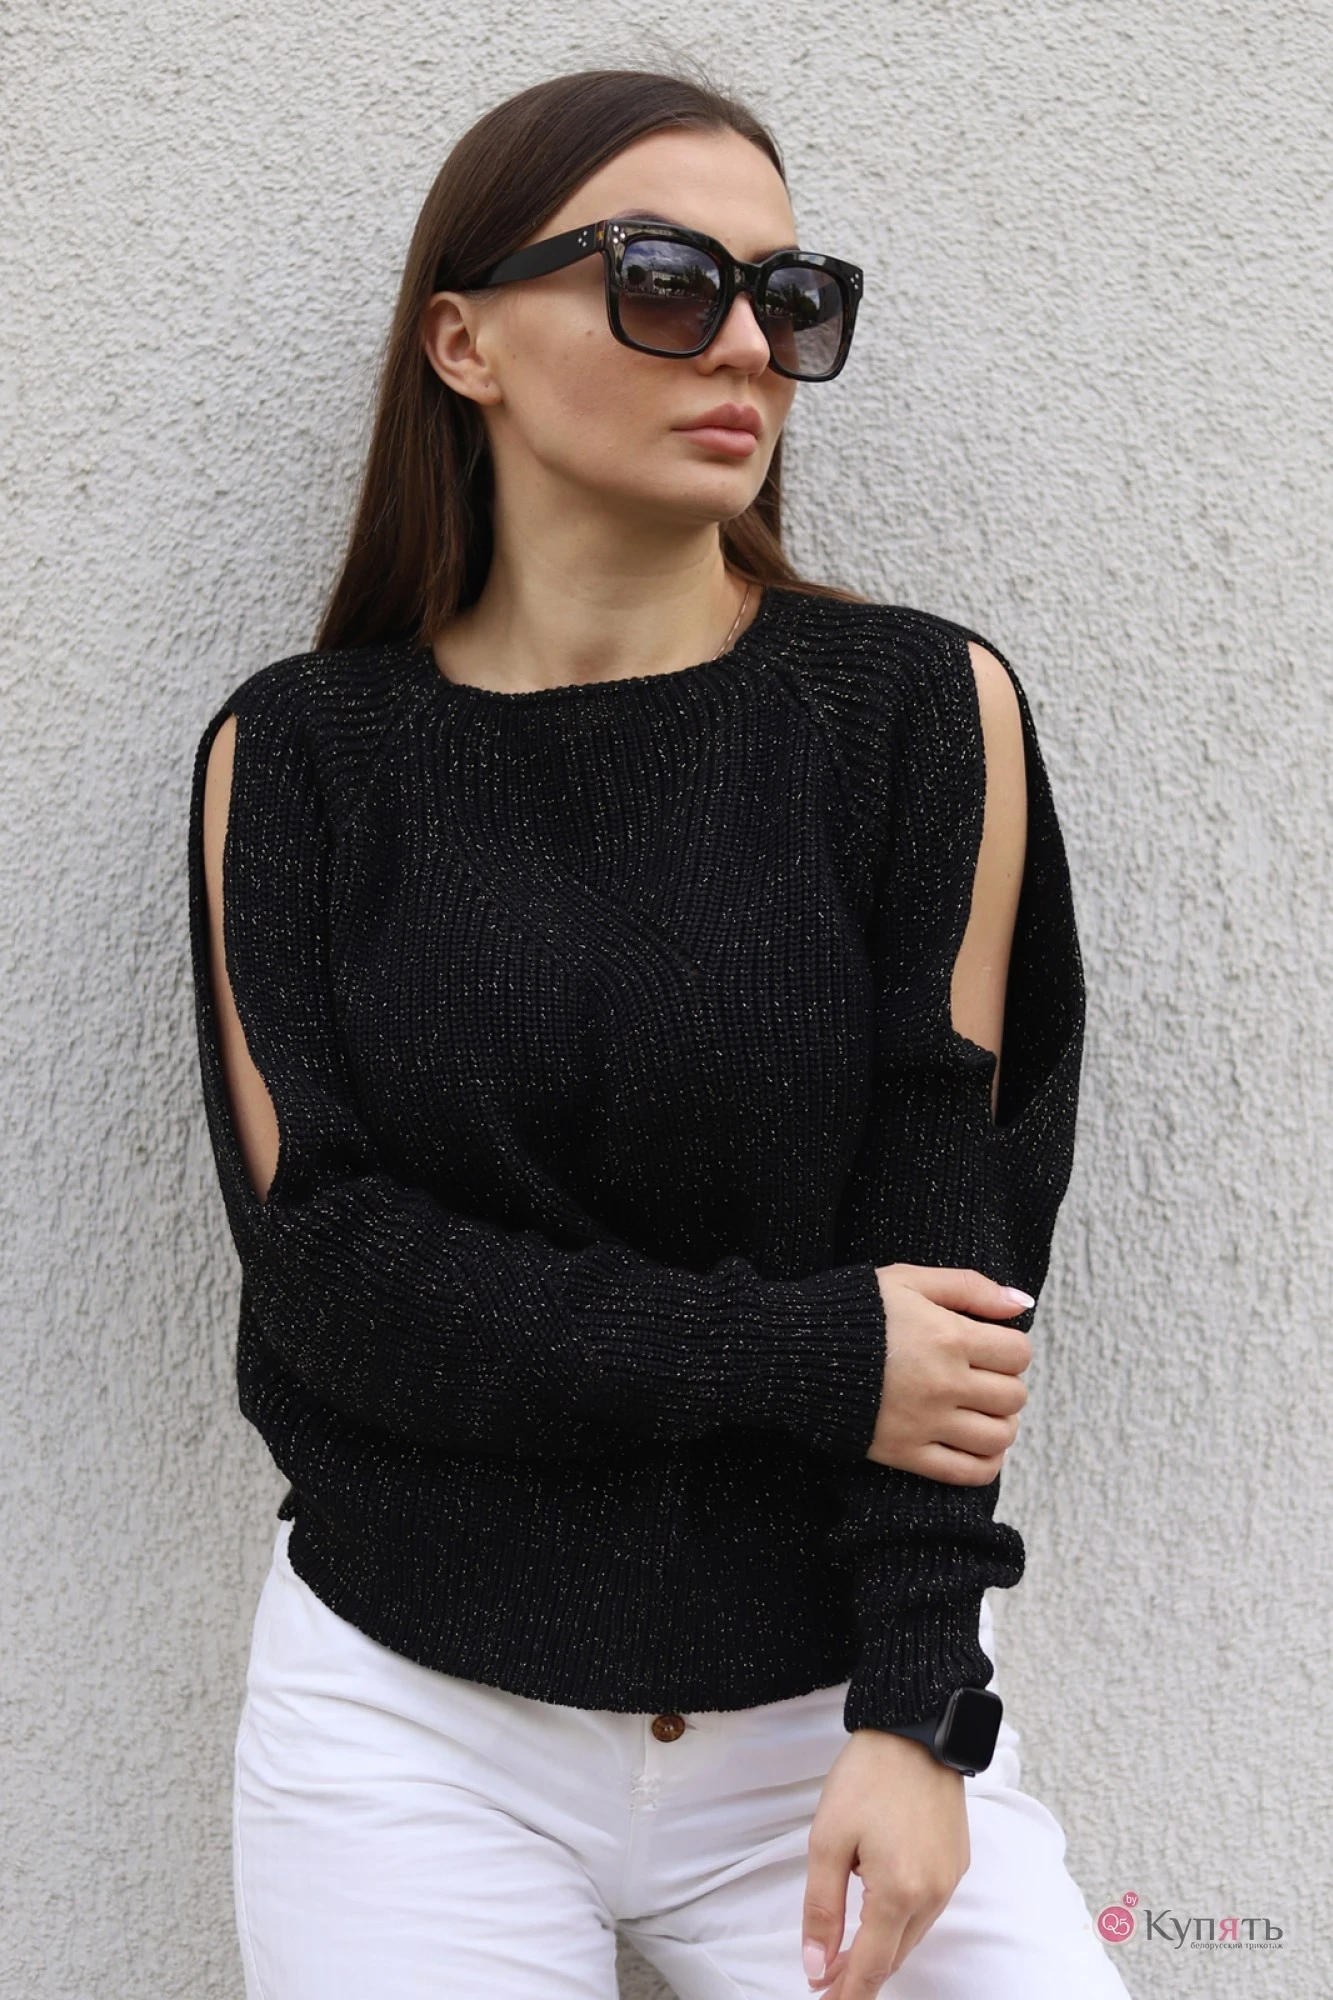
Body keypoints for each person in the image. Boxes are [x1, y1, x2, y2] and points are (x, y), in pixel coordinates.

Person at [188, 65, 1134, 2000]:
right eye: (665, 282)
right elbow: (335, 1280)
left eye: (793, 298)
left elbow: (950, 1253)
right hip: (412, 1708)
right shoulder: (300, 758)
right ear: (464, 342)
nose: (750, 349)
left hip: (823, 1712)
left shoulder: (915, 712)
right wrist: (812, 1350)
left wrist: (919, 1707)